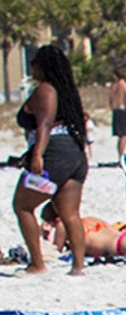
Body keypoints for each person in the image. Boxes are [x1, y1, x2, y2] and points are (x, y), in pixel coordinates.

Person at [11, 46, 91, 275]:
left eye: (34, 63)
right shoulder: (64, 91)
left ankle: (37, 263)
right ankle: (78, 266)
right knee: (70, 213)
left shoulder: (45, 90)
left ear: (43, 66)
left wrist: (37, 154)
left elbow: (44, 124)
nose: (31, 67)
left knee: (22, 205)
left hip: (53, 153)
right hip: (73, 153)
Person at [109, 71, 126, 161]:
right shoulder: (125, 85)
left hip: (115, 110)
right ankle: (122, 157)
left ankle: (120, 156)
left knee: (120, 136)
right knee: (125, 135)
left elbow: (110, 100)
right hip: (122, 109)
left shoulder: (113, 86)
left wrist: (112, 109)